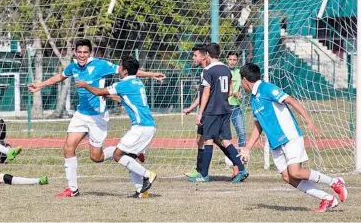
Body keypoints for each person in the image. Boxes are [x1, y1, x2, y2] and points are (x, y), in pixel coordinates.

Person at [27, 39, 165, 197]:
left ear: (90, 53)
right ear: (75, 52)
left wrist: (152, 74)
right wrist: (40, 85)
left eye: (85, 52)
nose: (82, 55)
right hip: (80, 114)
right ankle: (72, 189)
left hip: (98, 117)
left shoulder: (101, 65)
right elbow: (59, 77)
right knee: (68, 147)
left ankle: (130, 153)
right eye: (79, 52)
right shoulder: (72, 66)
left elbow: (128, 71)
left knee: (96, 157)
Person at [238, 63, 348, 212]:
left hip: (289, 136)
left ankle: (335, 182)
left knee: (295, 172)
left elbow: (290, 100)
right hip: (275, 143)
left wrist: (309, 121)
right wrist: (248, 148)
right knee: (287, 176)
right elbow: (258, 126)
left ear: (244, 79)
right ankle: (327, 198)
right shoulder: (253, 99)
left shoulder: (266, 88)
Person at [76, 55, 158, 198]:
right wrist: (110, 97)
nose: (118, 69)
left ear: (125, 71)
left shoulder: (123, 84)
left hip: (141, 127)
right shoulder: (137, 82)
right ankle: (141, 191)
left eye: (120, 67)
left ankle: (147, 175)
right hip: (149, 126)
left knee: (118, 155)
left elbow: (98, 92)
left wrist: (85, 85)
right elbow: (125, 99)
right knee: (128, 158)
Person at [187, 43, 248, 183]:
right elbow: (228, 91)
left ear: (207, 55)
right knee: (226, 141)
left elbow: (206, 93)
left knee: (208, 140)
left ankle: (203, 175)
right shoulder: (226, 69)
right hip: (225, 109)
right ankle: (242, 168)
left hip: (212, 110)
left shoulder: (207, 70)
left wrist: (200, 113)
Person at [223, 52, 247, 176]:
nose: (232, 61)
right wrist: (233, 93)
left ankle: (241, 157)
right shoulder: (223, 71)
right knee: (225, 137)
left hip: (236, 107)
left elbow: (243, 85)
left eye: (234, 59)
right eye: (230, 59)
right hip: (224, 108)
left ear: (237, 61)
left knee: (242, 133)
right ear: (227, 60)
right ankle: (230, 158)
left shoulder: (239, 72)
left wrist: (241, 92)